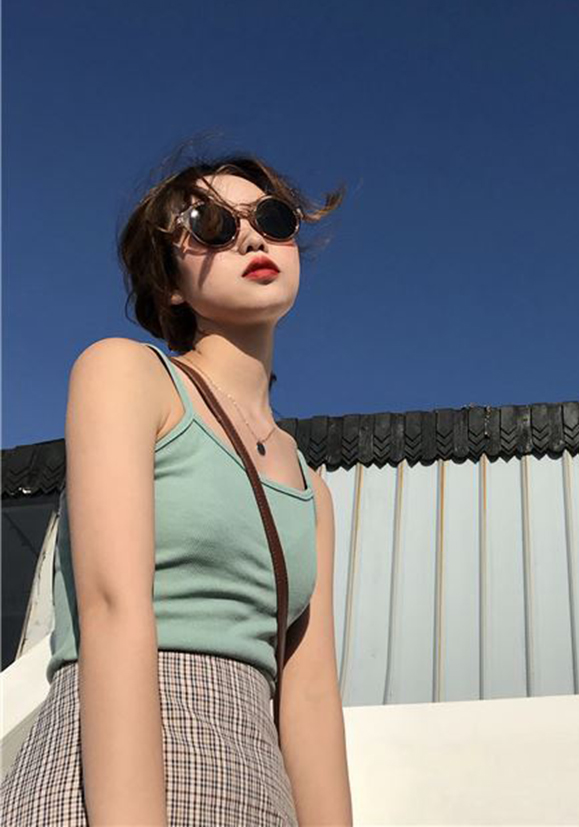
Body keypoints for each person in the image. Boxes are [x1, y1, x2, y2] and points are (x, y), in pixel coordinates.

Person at [0, 146, 354, 825]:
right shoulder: (129, 375)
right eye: (212, 225)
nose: (251, 238)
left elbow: (310, 699)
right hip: (112, 782)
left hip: (258, 788)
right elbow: (113, 609)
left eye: (272, 219)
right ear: (169, 285)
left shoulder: (312, 489)